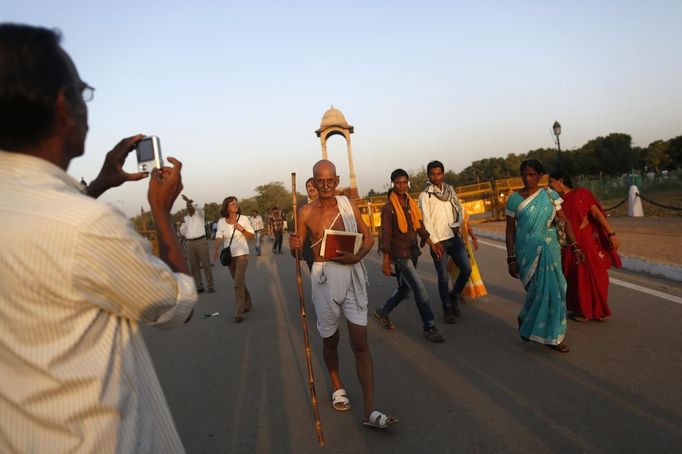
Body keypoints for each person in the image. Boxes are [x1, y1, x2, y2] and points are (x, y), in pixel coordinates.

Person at [0, 24, 196, 452]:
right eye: (83, 91)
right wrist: (161, 212)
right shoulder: (89, 226)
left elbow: (47, 225)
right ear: (62, 107)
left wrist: (99, 184)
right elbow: (175, 304)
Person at [289, 159, 397, 430]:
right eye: (319, 181)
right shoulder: (304, 213)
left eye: (330, 180)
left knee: (360, 343)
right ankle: (337, 385)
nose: (325, 185)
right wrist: (294, 245)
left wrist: (356, 256)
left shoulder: (349, 205)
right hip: (323, 279)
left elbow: (368, 237)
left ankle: (370, 409)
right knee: (330, 339)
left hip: (353, 275)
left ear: (337, 181)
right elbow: (298, 253)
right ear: (313, 182)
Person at [505, 159, 584, 353]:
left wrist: (575, 246)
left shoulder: (550, 195)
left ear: (540, 176)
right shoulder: (514, 199)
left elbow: (563, 221)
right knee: (537, 291)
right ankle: (526, 318)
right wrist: (511, 258)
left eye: (532, 174)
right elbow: (509, 231)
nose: (527, 178)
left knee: (557, 290)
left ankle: (554, 337)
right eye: (524, 174)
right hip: (527, 252)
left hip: (551, 249)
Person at [374, 169, 446, 343]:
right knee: (420, 290)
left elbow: (419, 225)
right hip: (400, 254)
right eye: (398, 183)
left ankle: (383, 311)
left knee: (405, 288)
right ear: (392, 184)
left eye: (405, 182)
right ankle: (429, 326)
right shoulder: (389, 208)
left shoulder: (410, 203)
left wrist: (432, 243)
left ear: (408, 183)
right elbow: (385, 236)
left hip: (412, 251)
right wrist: (386, 261)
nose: (402, 186)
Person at [549, 169, 621, 322]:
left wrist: (611, 233)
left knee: (595, 274)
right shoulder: (556, 201)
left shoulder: (580, 193)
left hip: (585, 241)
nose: (550, 186)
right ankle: (581, 310)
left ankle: (600, 310)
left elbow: (596, 214)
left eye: (551, 182)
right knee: (573, 275)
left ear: (560, 181)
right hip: (569, 244)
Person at [419, 160, 471, 323]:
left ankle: (454, 295)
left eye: (439, 173)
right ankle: (447, 308)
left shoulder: (450, 190)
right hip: (438, 241)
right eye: (433, 174)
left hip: (454, 238)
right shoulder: (425, 195)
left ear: (443, 174)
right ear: (428, 175)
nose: (436, 177)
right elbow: (426, 220)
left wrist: (458, 225)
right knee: (442, 276)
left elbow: (459, 209)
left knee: (466, 269)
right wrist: (433, 243)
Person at [213, 196, 255, 322]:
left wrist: (241, 229)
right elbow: (219, 237)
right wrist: (215, 249)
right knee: (238, 281)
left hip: (242, 253)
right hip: (229, 256)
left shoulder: (244, 219)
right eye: (232, 204)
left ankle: (238, 311)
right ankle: (248, 302)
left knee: (237, 283)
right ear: (227, 207)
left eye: (236, 203)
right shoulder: (221, 222)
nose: (235, 205)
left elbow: (252, 236)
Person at [447, 205, 487, 299]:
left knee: (469, 268)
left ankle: (467, 291)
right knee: (455, 269)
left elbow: (467, 224)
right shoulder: (444, 208)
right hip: (452, 244)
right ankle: (459, 292)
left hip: (464, 243)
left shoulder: (461, 207)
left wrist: (473, 237)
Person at [179, 194, 215, 293]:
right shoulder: (185, 219)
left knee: (206, 265)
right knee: (194, 267)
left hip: (201, 241)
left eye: (190, 205)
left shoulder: (200, 214)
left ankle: (210, 285)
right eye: (187, 206)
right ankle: (199, 286)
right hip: (190, 243)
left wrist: (190, 201)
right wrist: (182, 223)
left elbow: (199, 208)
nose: (189, 207)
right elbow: (182, 233)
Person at [300, 176, 318, 271]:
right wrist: (298, 250)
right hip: (308, 248)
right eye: (308, 186)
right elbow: (294, 226)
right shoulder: (300, 205)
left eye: (314, 185)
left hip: (326, 249)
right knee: (315, 278)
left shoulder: (327, 202)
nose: (311, 188)